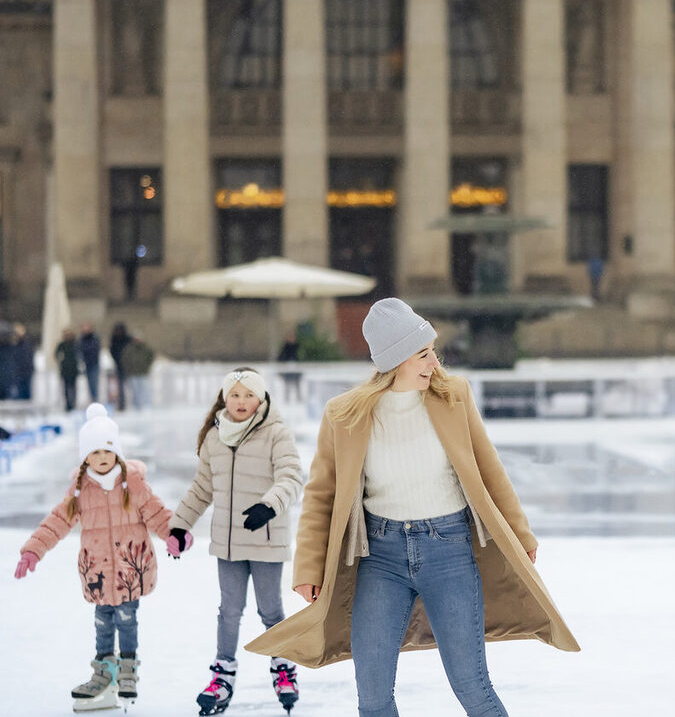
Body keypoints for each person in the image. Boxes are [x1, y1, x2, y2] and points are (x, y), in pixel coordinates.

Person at [246, 297, 580, 717]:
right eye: (423, 354)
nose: (434, 363)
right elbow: (321, 497)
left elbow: (490, 469)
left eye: (432, 352)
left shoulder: (453, 397)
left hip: (451, 553)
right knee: (373, 696)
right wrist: (309, 569)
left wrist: (521, 535)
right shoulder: (344, 415)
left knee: (473, 688)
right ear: (396, 359)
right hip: (380, 559)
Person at [13, 404, 175, 709]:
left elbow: (156, 512)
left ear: (117, 453)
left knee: (127, 619)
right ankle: (103, 673)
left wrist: (175, 535)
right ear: (85, 456)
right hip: (97, 573)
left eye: (107, 451)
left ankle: (127, 670)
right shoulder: (79, 489)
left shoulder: (134, 483)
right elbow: (57, 521)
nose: (102, 458)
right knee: (102, 622)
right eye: (94, 452)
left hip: (130, 569)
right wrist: (34, 549)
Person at [165, 368, 305, 715]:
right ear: (225, 398)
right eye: (235, 395)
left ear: (261, 398)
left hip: (265, 539)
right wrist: (180, 526)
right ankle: (222, 675)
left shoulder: (276, 433)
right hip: (227, 544)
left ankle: (283, 668)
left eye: (249, 395)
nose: (242, 402)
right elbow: (201, 489)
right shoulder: (215, 437)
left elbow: (291, 477)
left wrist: (269, 506)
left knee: (270, 611)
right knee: (229, 611)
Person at [121, 335, 155, 410]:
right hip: (133, 373)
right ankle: (136, 406)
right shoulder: (129, 349)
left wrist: (146, 366)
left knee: (145, 390)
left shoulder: (146, 348)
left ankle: (146, 405)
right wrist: (129, 369)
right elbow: (125, 359)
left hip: (143, 373)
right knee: (135, 391)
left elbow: (151, 356)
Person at [55, 327, 80, 412]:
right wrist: (61, 360)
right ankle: (68, 404)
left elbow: (79, 354)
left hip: (73, 369)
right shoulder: (62, 345)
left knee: (73, 387)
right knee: (66, 388)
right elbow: (56, 354)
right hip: (65, 369)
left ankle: (73, 403)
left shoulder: (75, 344)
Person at [109, 323, 131, 411]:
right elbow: (112, 351)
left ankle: (134, 404)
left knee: (130, 386)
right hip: (118, 366)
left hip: (129, 366)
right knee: (120, 387)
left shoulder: (127, 340)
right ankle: (122, 405)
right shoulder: (114, 340)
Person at [78, 322, 102, 404]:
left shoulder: (94, 338)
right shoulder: (81, 339)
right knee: (89, 383)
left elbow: (95, 349)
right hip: (87, 364)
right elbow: (80, 350)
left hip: (94, 363)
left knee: (94, 382)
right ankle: (92, 398)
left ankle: (95, 398)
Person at [11, 323, 35, 400]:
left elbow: (28, 357)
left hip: (25, 370)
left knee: (25, 391)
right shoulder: (14, 344)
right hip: (18, 371)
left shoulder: (26, 344)